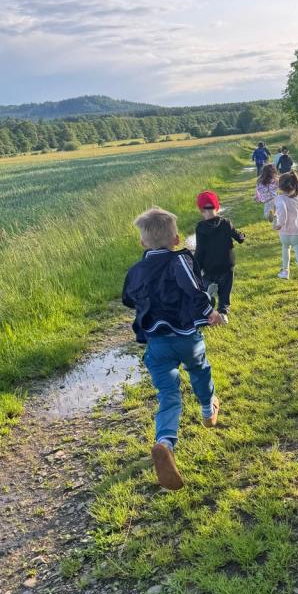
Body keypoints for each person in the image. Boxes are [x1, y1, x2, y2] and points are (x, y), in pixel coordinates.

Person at [122, 207, 221, 491]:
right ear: (176, 239)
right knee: (199, 369)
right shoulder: (180, 260)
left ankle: (165, 442)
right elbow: (193, 289)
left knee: (168, 394)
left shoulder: (136, 270)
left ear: (142, 243)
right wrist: (209, 313)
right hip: (186, 337)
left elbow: (128, 298)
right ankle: (208, 408)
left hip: (156, 344)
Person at [194, 190, 245, 323]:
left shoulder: (200, 227)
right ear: (217, 206)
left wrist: (196, 266)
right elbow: (239, 237)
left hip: (209, 266)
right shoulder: (226, 223)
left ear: (201, 209)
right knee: (225, 290)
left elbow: (200, 249)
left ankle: (208, 301)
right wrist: (242, 236)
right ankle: (223, 312)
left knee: (205, 284)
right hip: (226, 264)